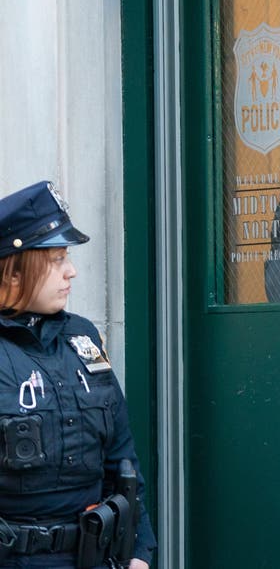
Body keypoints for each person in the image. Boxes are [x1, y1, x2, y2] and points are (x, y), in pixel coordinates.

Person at [0, 181, 155, 568]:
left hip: (96, 555)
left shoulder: (81, 337)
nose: (71, 272)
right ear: (14, 273)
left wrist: (139, 551)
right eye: (56, 260)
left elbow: (122, 460)